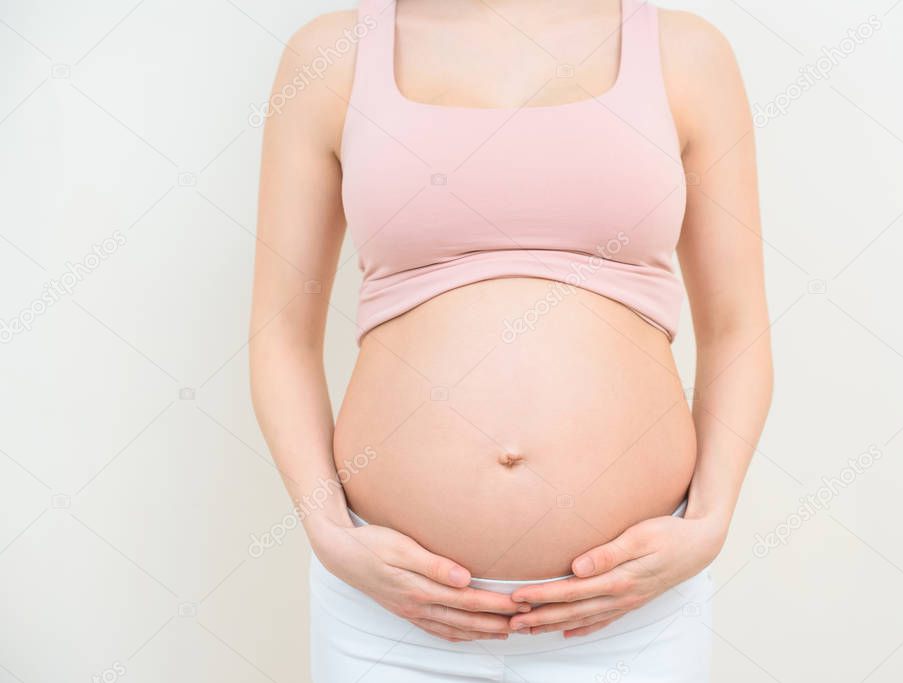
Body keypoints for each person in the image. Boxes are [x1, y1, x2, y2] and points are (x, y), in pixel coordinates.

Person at [249, 0, 771, 679]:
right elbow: (279, 336)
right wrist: (327, 532)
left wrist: (707, 520)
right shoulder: (331, 55)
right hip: (391, 614)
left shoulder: (684, 51)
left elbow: (737, 328)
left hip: (630, 612)